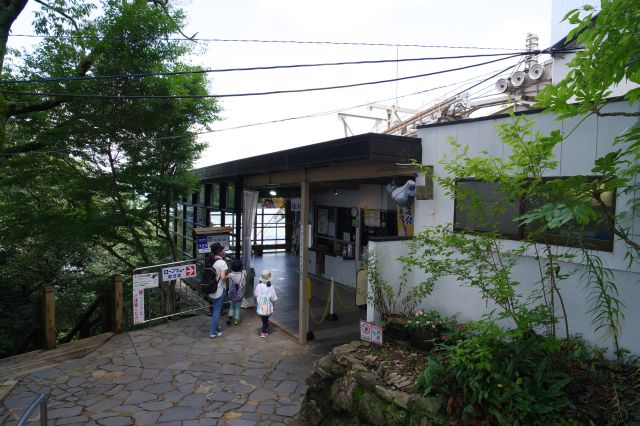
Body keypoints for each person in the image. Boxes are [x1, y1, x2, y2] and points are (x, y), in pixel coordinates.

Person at [208, 242, 228, 338]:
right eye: (222, 250)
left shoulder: (211, 261)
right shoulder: (222, 263)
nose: (224, 251)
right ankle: (213, 332)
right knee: (217, 311)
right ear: (220, 252)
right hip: (219, 289)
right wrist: (230, 275)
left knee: (215, 309)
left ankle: (215, 328)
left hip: (211, 289)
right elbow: (223, 277)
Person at [254, 269, 278, 338]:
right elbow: (273, 298)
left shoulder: (259, 285)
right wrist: (274, 305)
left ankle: (265, 326)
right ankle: (263, 331)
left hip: (261, 305)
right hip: (267, 306)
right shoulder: (271, 287)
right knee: (266, 318)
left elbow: (256, 294)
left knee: (263, 317)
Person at [226, 258, 246, 326]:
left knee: (232, 305)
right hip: (239, 294)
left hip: (231, 293)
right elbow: (243, 284)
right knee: (237, 307)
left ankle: (230, 316)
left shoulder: (230, 275)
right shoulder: (242, 275)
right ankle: (236, 319)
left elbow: (229, 283)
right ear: (241, 267)